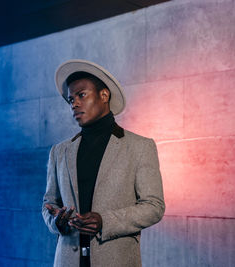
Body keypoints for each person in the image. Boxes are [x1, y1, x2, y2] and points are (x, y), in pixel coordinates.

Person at [42, 59, 165, 267]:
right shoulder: (59, 151)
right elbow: (48, 203)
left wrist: (105, 221)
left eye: (81, 95)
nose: (75, 104)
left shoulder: (140, 147)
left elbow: (154, 207)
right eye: (71, 99)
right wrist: (56, 222)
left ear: (104, 95)